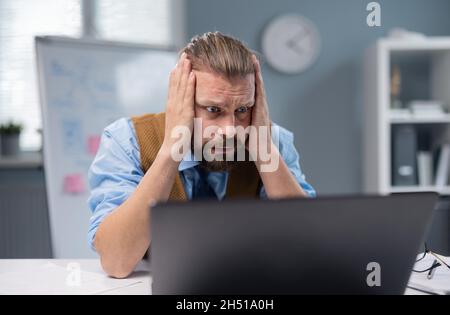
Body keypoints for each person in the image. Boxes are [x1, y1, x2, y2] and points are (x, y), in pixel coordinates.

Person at [88, 32, 316, 278]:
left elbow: (311, 248)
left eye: (242, 109)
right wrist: (171, 150)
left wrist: (263, 150)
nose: (230, 129)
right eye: (213, 109)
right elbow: (116, 261)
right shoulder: (126, 140)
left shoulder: (273, 142)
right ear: (180, 100)